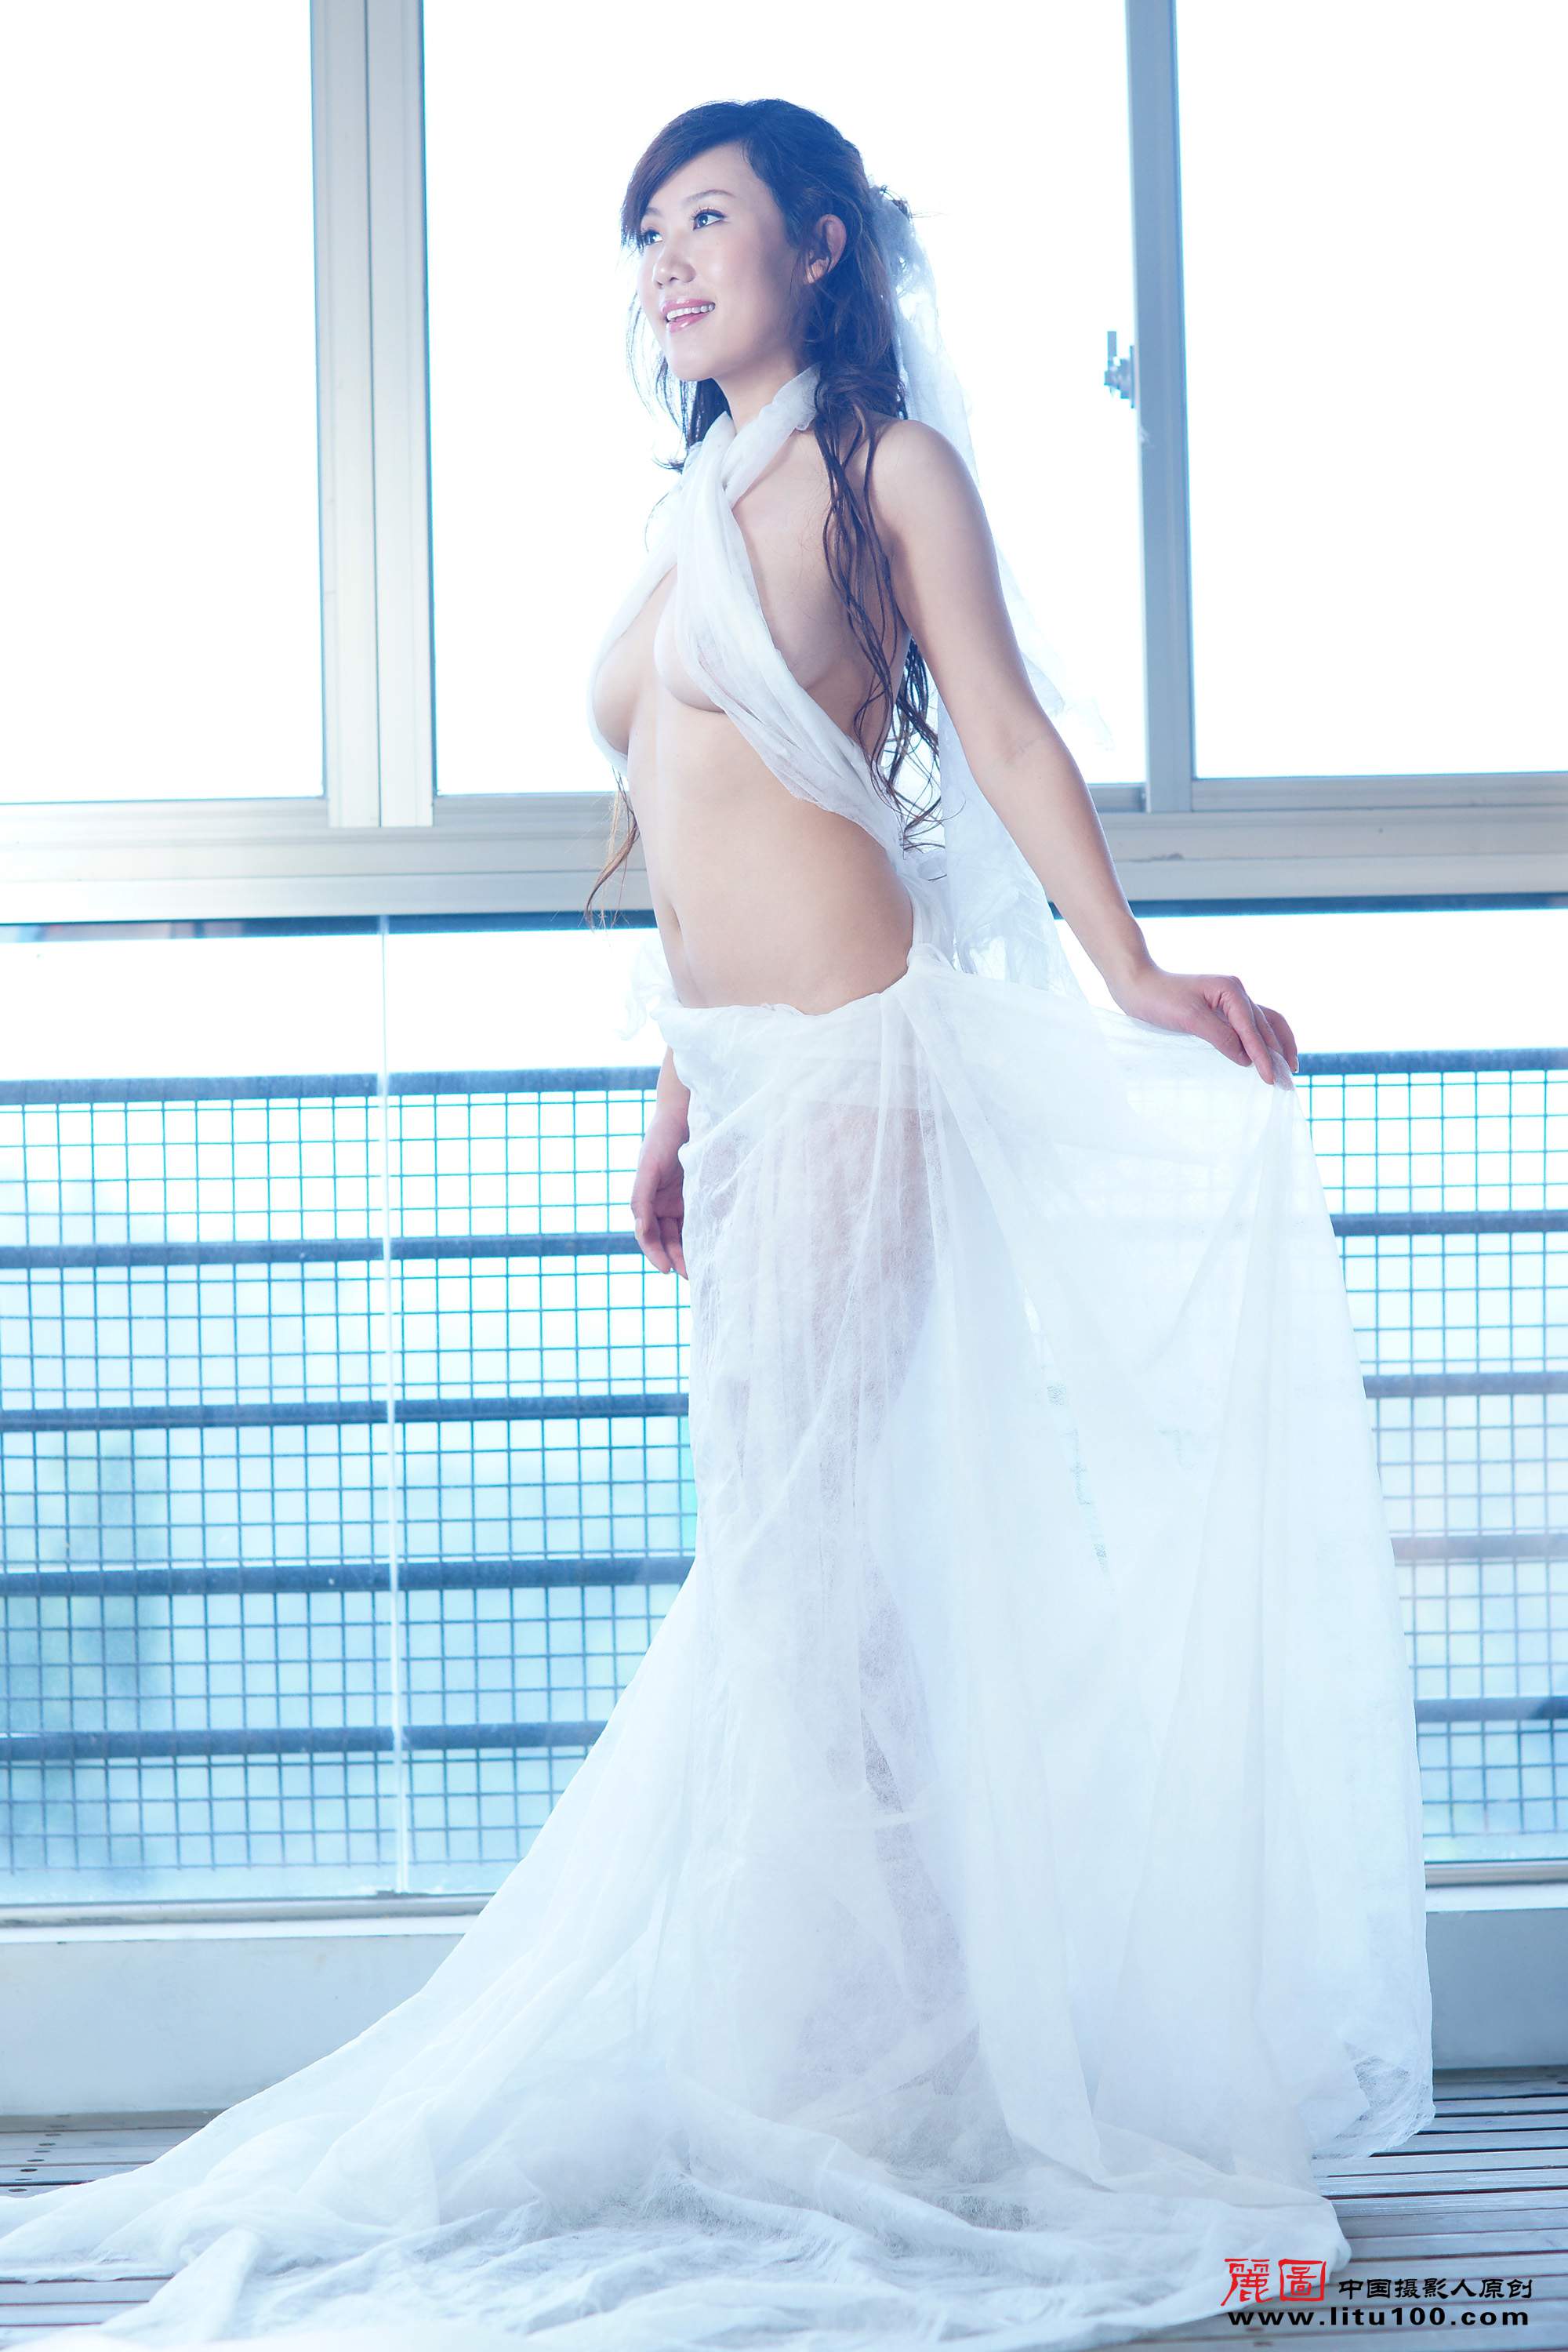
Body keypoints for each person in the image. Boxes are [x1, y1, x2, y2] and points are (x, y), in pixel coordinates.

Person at [0, 96, 1432, 2352]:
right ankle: (877, 2056)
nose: (666, 262)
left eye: (707, 219)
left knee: (803, 1572)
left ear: (822, 246)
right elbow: (692, 814)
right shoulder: (692, 506)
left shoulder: (886, 471)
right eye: (646, 234)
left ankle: (902, 2078)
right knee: (808, 1582)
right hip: (750, 1084)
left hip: (861, 1058)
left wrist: (1136, 974)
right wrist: (678, 1091)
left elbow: (1007, 742)